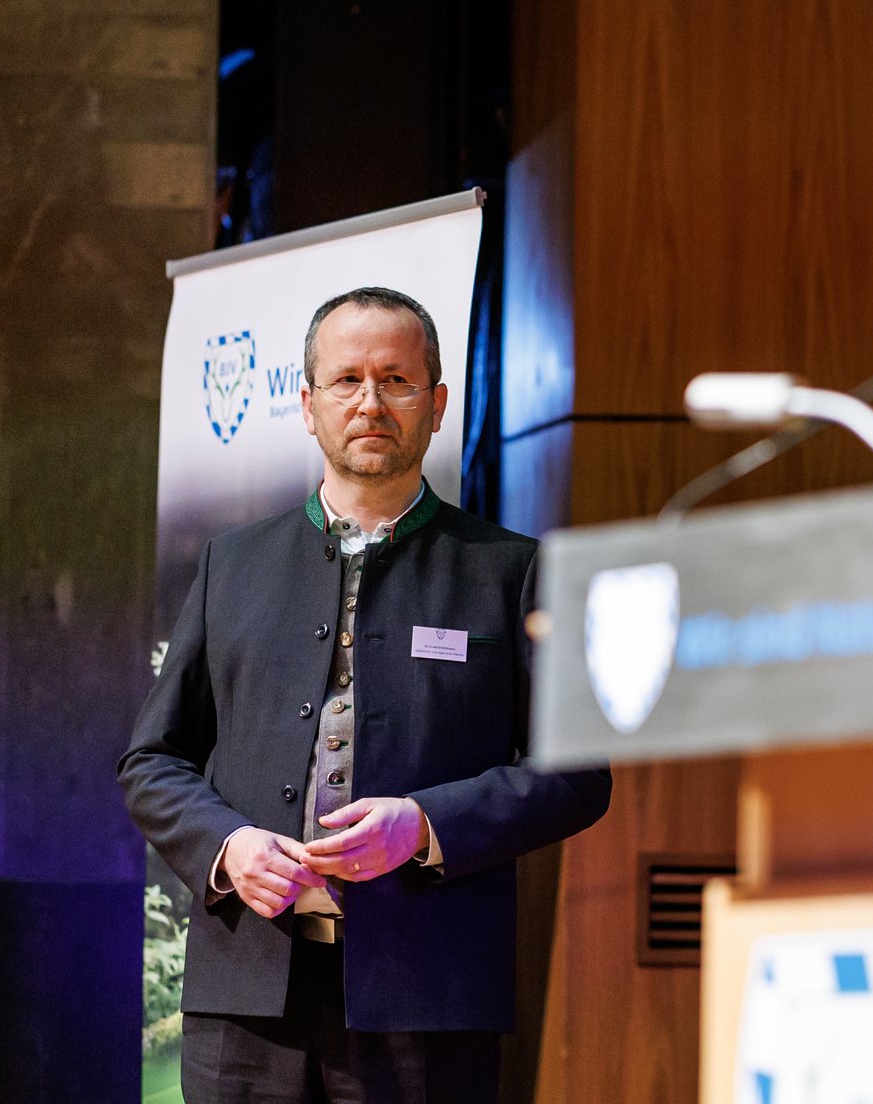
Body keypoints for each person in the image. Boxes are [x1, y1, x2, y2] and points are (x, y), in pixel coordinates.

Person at [120, 286, 612, 1104]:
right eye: (346, 380)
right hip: (245, 997)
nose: (371, 402)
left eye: (397, 379)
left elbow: (577, 773)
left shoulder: (512, 570)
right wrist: (230, 845)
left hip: (427, 996)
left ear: (439, 403)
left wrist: (423, 826)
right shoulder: (231, 565)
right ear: (307, 404)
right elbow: (152, 759)